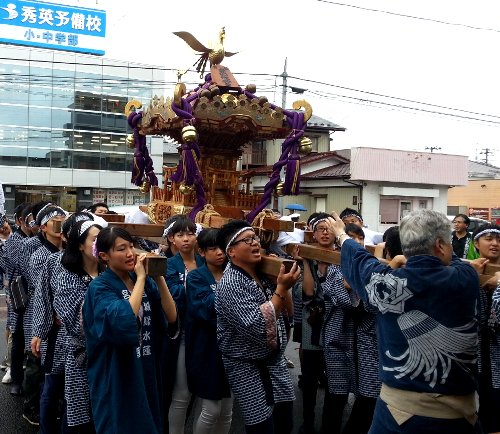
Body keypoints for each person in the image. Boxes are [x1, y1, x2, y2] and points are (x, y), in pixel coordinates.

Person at [330, 209, 481, 433]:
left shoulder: (388, 283)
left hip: (397, 416)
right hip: (458, 418)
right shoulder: (465, 278)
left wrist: (341, 235)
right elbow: (455, 261)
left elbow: (358, 259)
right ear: (440, 245)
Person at [82, 226, 178, 434]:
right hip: (117, 373)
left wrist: (158, 276)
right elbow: (122, 319)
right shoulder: (99, 288)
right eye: (121, 248)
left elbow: (171, 316)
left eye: (131, 246)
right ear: (104, 256)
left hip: (145, 368)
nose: (129, 253)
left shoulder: (139, 280)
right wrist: (142, 278)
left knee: (150, 422)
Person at [215, 220, 300, 434]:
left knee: (284, 423)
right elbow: (258, 326)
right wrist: (280, 288)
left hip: (274, 362)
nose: (255, 243)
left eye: (255, 238)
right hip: (246, 367)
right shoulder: (231, 282)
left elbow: (288, 313)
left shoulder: (261, 274)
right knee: (262, 428)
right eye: (247, 240)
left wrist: (280, 284)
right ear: (231, 251)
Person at [296, 213, 356, 434]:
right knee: (310, 376)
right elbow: (309, 292)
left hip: (337, 321)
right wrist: (305, 261)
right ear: (313, 232)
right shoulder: (308, 255)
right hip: (313, 319)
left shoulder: (343, 257)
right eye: (320, 228)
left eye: (329, 228)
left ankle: (331, 421)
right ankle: (308, 420)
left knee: (335, 375)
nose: (324, 232)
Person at [54, 218, 102, 433]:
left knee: (103, 415)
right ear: (80, 245)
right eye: (95, 240)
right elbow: (75, 322)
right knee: (79, 418)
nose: (99, 245)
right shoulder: (67, 276)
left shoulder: (109, 272)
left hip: (107, 356)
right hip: (81, 356)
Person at [185, 228, 233, 434]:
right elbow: (205, 310)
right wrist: (230, 286)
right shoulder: (196, 277)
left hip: (231, 350)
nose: (220, 253)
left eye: (223, 248)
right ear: (202, 252)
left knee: (227, 409)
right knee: (211, 409)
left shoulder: (233, 273)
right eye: (213, 249)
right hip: (206, 350)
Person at [165, 216, 205, 434]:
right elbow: (174, 295)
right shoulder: (169, 264)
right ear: (171, 238)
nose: (186, 239)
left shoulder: (205, 260)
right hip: (182, 333)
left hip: (205, 333)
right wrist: (199, 287)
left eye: (190, 234)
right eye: (180, 235)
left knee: (204, 392)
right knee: (181, 393)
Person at [469, 223, 500, 434]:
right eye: (488, 238)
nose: (495, 243)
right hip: (477, 354)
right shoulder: (468, 270)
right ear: (476, 243)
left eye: (498, 239)